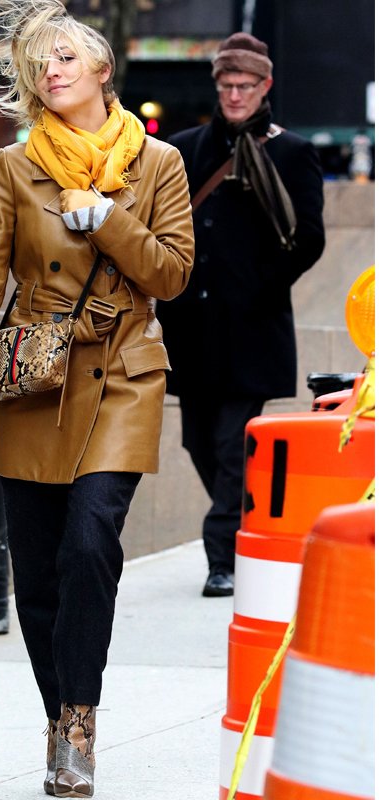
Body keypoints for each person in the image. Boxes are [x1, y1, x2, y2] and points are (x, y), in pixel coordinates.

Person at [0, 1, 194, 795]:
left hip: (124, 370)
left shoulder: (158, 164)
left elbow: (171, 273)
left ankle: (79, 723)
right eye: (41, 63)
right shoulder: (17, 166)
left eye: (67, 57)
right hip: (34, 377)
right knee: (36, 575)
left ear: (104, 71)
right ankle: (60, 718)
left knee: (88, 546)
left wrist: (108, 220)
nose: (52, 70)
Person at [156, 32, 325, 599]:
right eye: (226, 86)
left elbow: (309, 240)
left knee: (233, 444)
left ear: (265, 87)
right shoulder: (182, 149)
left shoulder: (292, 151)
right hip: (192, 328)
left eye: (244, 86)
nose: (234, 95)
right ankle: (248, 523)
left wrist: (258, 287)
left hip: (251, 328)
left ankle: (223, 556)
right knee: (198, 443)